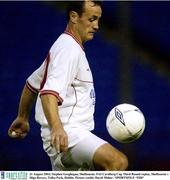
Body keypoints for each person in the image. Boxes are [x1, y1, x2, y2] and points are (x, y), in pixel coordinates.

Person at [8, 0, 128, 171]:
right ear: (74, 16)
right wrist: (57, 128)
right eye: (92, 19)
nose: (97, 26)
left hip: (64, 138)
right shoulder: (69, 49)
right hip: (69, 135)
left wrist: (22, 117)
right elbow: (48, 93)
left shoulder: (64, 46)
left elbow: (32, 84)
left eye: (98, 20)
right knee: (118, 162)